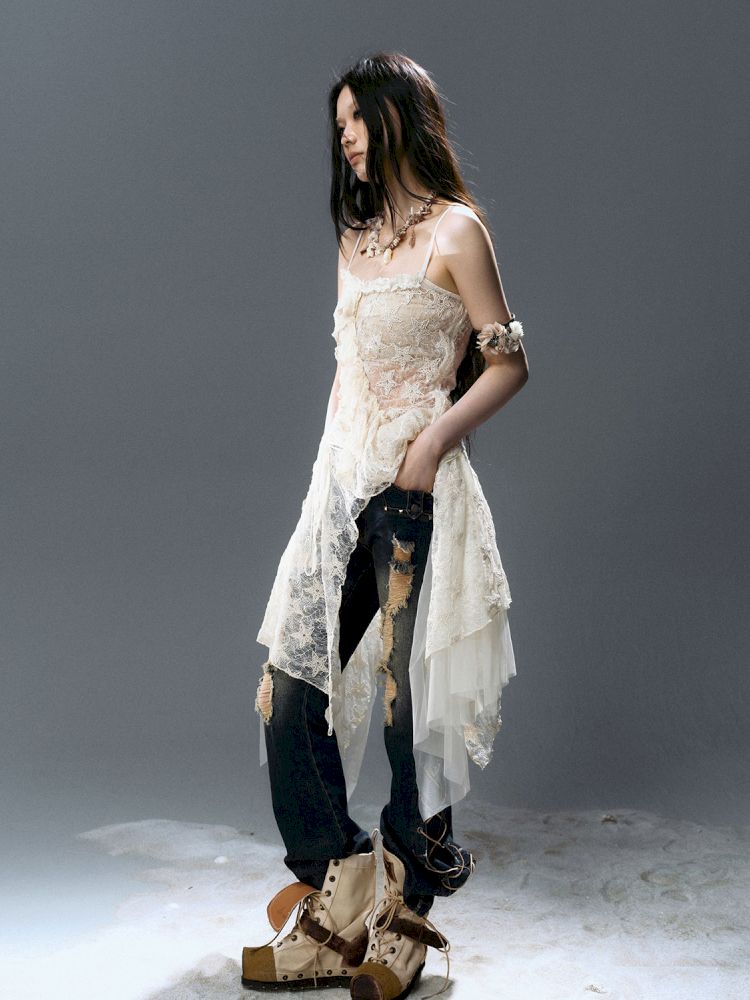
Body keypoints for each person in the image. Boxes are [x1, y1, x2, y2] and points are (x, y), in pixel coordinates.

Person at [241, 51, 529, 1000]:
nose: (347, 140)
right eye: (339, 128)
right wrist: (319, 497)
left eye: (356, 120)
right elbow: (347, 378)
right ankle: (341, 886)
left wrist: (433, 443)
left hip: (415, 495)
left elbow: (507, 363)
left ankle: (407, 909)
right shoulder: (355, 237)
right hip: (341, 490)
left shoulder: (457, 231)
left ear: (399, 115)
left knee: (408, 704)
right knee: (291, 689)